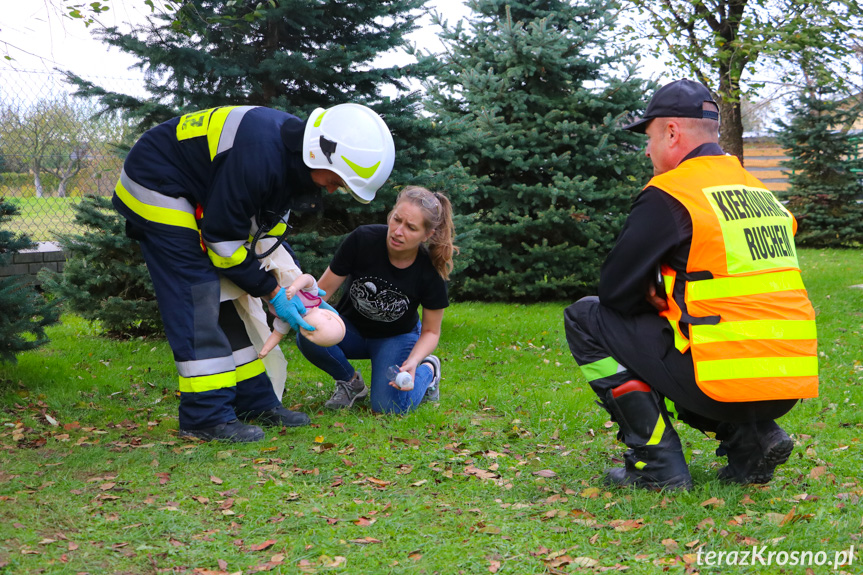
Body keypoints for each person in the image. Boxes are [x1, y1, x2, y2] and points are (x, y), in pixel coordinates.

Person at [563, 79, 818, 490]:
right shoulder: (759, 192)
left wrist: (655, 295)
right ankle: (754, 437)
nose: (647, 151)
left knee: (585, 317)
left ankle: (657, 465)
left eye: (648, 137)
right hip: (785, 381)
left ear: (671, 132)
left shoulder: (673, 193)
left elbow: (614, 292)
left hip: (722, 379)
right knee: (690, 334)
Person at [113, 103, 395, 442]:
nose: (334, 189)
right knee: (198, 295)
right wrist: (272, 292)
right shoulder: (260, 156)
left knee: (225, 297)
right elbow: (223, 244)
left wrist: (295, 288)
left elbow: (266, 240)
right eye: (337, 180)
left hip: (189, 188)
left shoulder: (290, 163)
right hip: (155, 183)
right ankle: (204, 417)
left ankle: (253, 400)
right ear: (321, 157)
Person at [297, 186, 456, 414]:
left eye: (410, 227)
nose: (398, 231)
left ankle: (429, 370)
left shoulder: (430, 270)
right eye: (396, 219)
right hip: (350, 330)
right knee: (308, 332)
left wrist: (413, 362)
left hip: (395, 337)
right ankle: (351, 383)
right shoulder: (363, 239)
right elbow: (321, 292)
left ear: (427, 235)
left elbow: (431, 332)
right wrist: (295, 306)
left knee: (388, 408)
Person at [258, 273, 346, 358]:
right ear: (325, 314)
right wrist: (294, 288)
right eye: (316, 330)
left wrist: (266, 349)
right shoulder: (311, 295)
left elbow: (277, 335)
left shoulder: (289, 320)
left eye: (312, 339)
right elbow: (306, 278)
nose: (309, 336)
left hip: (259, 282)